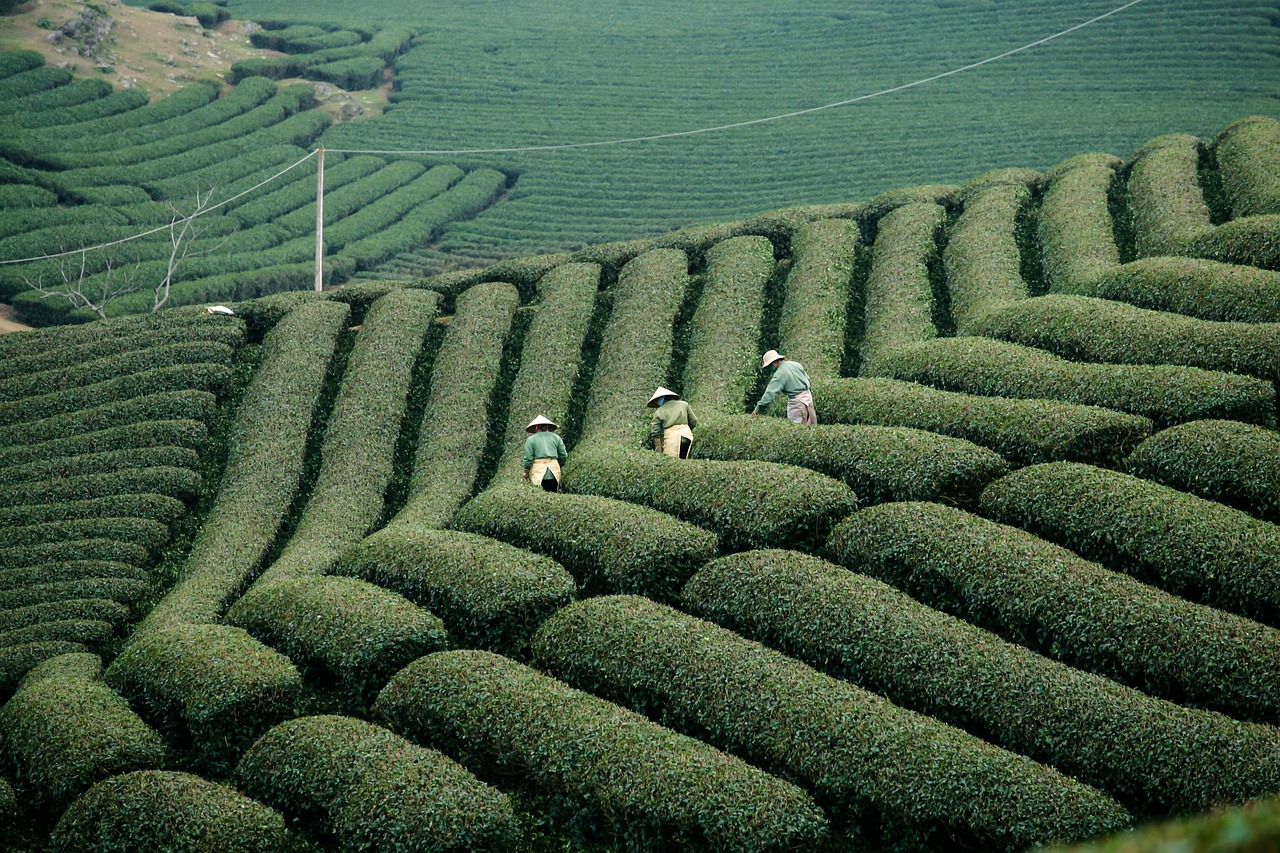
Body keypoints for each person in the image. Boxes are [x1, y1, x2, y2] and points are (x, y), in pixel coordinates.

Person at [751, 349, 816, 425]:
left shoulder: (780, 374)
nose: (769, 368)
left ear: (774, 362)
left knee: (797, 427)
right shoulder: (796, 364)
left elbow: (770, 393)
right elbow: (807, 379)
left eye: (769, 366)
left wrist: (758, 408)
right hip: (808, 398)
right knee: (809, 425)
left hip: (797, 402)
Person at [647, 386, 697, 458]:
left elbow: (655, 432)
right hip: (687, 436)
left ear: (662, 398)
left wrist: (658, 447)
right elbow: (694, 421)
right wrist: (687, 429)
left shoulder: (659, 411)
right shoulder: (684, 404)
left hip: (671, 438)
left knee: (671, 460)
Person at [522, 415, 568, 491]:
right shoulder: (556, 438)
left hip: (538, 473)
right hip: (554, 472)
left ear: (536, 427)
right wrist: (558, 464)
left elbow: (528, 459)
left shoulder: (531, 440)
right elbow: (563, 455)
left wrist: (526, 471)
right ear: (548, 426)